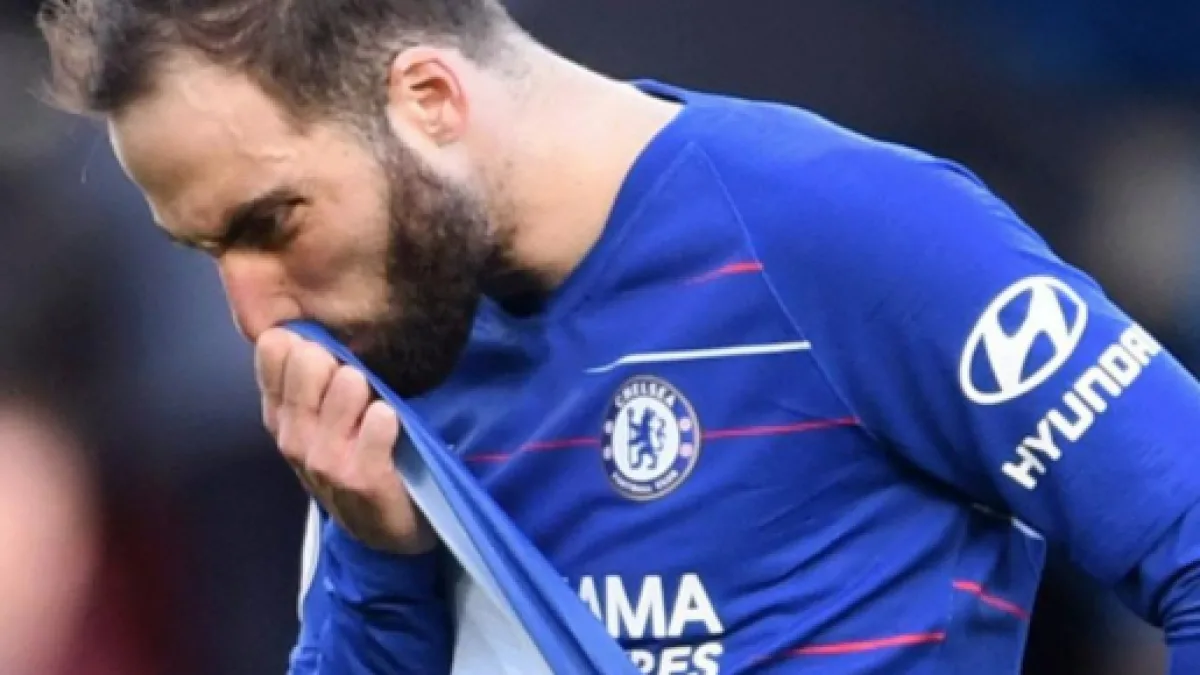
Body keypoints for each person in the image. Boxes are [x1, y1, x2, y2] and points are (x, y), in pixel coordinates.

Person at [35, 0, 1200, 672]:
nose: (253, 315)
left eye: (271, 222)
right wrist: (381, 564)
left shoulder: (847, 228)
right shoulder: (401, 339)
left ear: (429, 101)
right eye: (207, 250)